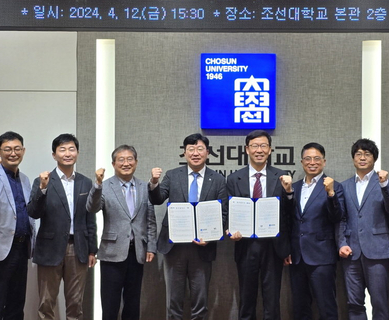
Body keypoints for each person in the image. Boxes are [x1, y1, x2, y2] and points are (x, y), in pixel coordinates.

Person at [149, 133, 228, 320]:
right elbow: (158, 199)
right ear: (184, 153)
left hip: (202, 248)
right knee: (173, 302)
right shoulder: (172, 175)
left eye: (200, 149)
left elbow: (223, 213)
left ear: (208, 153)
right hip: (174, 247)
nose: (195, 153)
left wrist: (210, 237)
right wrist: (153, 183)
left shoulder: (217, 179)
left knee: (200, 303)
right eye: (191, 149)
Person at [27, 133, 98, 320]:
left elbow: (90, 218)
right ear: (54, 155)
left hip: (79, 248)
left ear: (77, 153)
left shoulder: (85, 182)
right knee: (46, 302)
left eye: (71, 149)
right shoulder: (43, 180)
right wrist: (42, 188)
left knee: (75, 303)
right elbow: (33, 212)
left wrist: (92, 250)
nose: (67, 153)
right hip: (50, 248)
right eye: (62, 149)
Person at [224, 130, 290, 320]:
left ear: (270, 150)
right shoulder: (234, 178)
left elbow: (288, 212)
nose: (259, 150)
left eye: (263, 146)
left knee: (272, 299)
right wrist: (229, 229)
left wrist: (287, 247)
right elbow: (228, 210)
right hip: (245, 244)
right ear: (247, 149)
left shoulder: (281, 176)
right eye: (254, 146)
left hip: (273, 245)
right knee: (246, 297)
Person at [87, 145, 157, 320]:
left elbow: (150, 219)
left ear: (136, 162)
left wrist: (151, 246)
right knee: (110, 304)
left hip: (137, 252)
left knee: (133, 303)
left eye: (130, 159)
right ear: (113, 164)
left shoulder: (143, 186)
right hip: (112, 252)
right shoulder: (105, 186)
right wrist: (97, 184)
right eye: (121, 160)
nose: (126, 163)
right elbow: (92, 207)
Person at [337, 138, 389, 320]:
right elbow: (341, 218)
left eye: (367, 154)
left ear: (374, 158)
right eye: (358, 154)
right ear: (353, 158)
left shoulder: (386, 183)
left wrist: (384, 185)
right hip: (351, 252)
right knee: (354, 303)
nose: (362, 157)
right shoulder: (345, 185)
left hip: (378, 251)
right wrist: (341, 242)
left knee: (380, 302)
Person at [282, 142, 344, 320]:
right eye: (308, 159)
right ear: (302, 163)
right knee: (300, 306)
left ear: (324, 162)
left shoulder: (334, 186)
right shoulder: (295, 187)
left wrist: (331, 193)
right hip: (297, 256)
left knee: (326, 305)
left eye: (317, 159)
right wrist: (287, 249)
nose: (312, 162)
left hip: (322, 256)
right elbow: (288, 219)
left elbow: (337, 217)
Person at [0, 131, 36, 320]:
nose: (13, 153)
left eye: (17, 149)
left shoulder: (25, 179)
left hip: (21, 247)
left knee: (17, 303)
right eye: (8, 149)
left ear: (23, 151)